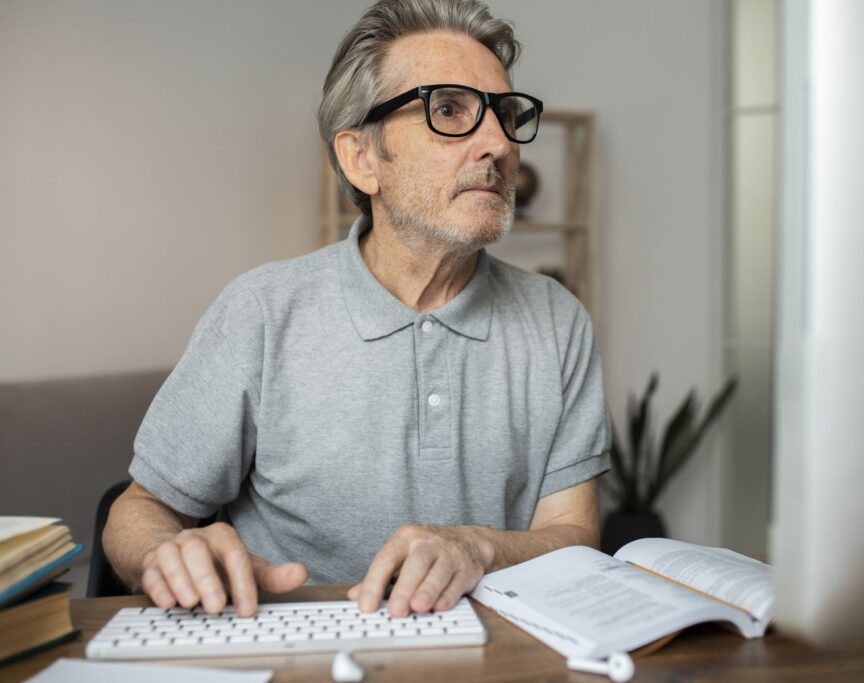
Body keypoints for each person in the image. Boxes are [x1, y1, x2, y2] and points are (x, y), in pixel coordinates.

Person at [103, 0, 610, 621]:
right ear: (360, 159)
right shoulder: (260, 313)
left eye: (505, 115)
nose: (500, 144)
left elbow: (574, 534)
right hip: (296, 649)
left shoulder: (558, 320)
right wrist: (167, 552)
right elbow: (140, 510)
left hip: (496, 653)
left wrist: (478, 547)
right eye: (449, 109)